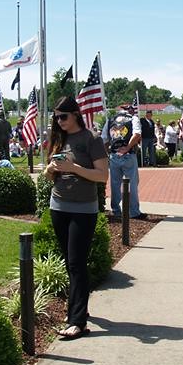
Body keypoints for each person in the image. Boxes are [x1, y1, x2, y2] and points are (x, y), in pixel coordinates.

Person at [44, 96, 109, 340]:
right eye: (56, 117)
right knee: (70, 261)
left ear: (76, 115)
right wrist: (51, 170)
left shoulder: (91, 139)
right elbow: (50, 177)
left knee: (76, 262)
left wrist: (74, 168)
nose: (59, 121)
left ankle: (77, 322)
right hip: (58, 205)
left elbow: (102, 176)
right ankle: (78, 309)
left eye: (63, 117)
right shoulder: (58, 139)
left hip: (84, 209)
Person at [102, 106, 145, 219]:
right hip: (128, 155)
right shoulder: (133, 119)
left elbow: (104, 139)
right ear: (129, 110)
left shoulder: (110, 120)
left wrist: (109, 152)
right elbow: (136, 135)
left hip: (114, 155)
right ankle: (134, 212)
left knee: (115, 184)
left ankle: (116, 211)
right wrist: (127, 148)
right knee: (132, 184)